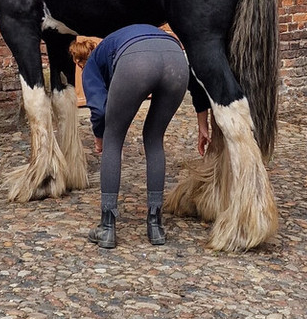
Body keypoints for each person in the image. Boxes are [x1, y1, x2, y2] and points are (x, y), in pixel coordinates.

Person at [72, 24, 210, 248]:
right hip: (176, 58)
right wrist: (203, 124)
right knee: (154, 139)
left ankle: (107, 227)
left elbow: (99, 110)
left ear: (81, 61)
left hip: (137, 61)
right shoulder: (116, 42)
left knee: (113, 138)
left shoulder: (92, 64)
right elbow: (196, 82)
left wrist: (99, 136)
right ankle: (155, 226)